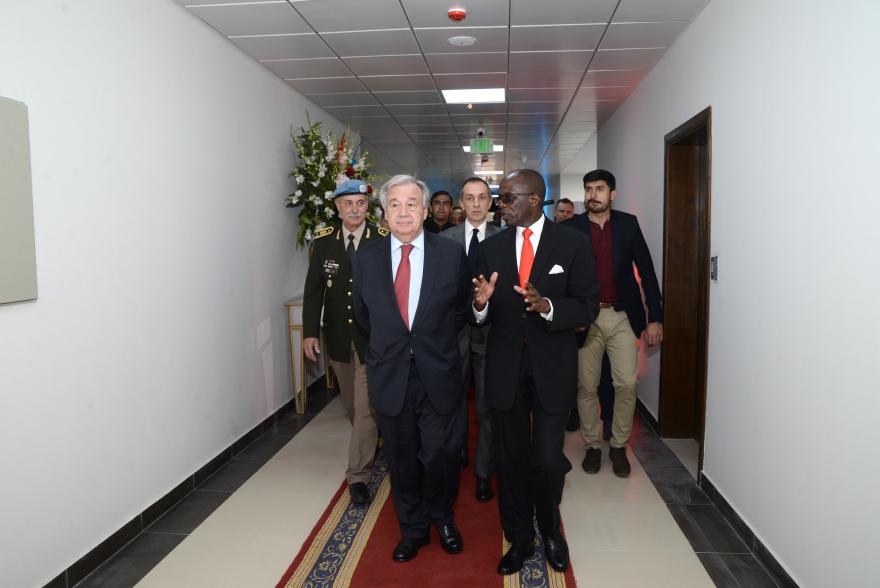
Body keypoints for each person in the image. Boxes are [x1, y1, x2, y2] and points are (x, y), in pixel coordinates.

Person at [472, 169, 599, 575]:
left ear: (533, 199)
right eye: (501, 198)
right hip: (506, 366)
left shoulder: (573, 244)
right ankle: (520, 537)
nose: (501, 205)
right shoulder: (491, 248)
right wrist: (481, 304)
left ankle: (551, 532)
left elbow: (587, 306)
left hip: (552, 365)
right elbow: (473, 313)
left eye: (508, 198)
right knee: (509, 459)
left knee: (546, 458)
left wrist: (548, 307)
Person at [353, 175, 472, 563]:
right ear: (384, 213)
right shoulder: (367, 257)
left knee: (440, 455)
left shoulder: (450, 254)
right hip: (390, 377)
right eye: (395, 205)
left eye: (411, 204)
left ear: (425, 210)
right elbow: (363, 316)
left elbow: (459, 313)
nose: (403, 212)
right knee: (402, 461)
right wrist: (394, 347)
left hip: (438, 373)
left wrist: (428, 343)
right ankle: (414, 529)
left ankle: (443, 518)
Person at [566, 169, 663, 477]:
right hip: (586, 319)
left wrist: (655, 318)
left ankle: (619, 445)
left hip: (622, 316)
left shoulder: (628, 225)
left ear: (613, 194)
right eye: (589, 189)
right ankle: (593, 446)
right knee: (587, 386)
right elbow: (563, 278)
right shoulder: (571, 228)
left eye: (600, 188)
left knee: (626, 383)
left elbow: (646, 271)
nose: (593, 194)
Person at [302, 179, 387, 505]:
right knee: (353, 406)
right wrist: (310, 331)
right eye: (348, 203)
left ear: (368, 207)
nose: (355, 209)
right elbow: (313, 290)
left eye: (360, 203)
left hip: (372, 338)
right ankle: (373, 441)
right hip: (338, 337)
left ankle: (358, 476)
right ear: (337, 207)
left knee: (365, 409)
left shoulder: (381, 239)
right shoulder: (323, 242)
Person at [441, 177, 501, 502]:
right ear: (460, 203)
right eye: (469, 198)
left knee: (487, 408)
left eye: (482, 198)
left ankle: (483, 473)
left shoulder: (504, 238)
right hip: (454, 334)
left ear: (490, 203)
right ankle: (459, 450)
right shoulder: (444, 239)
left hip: (491, 334)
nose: (476, 204)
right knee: (453, 402)